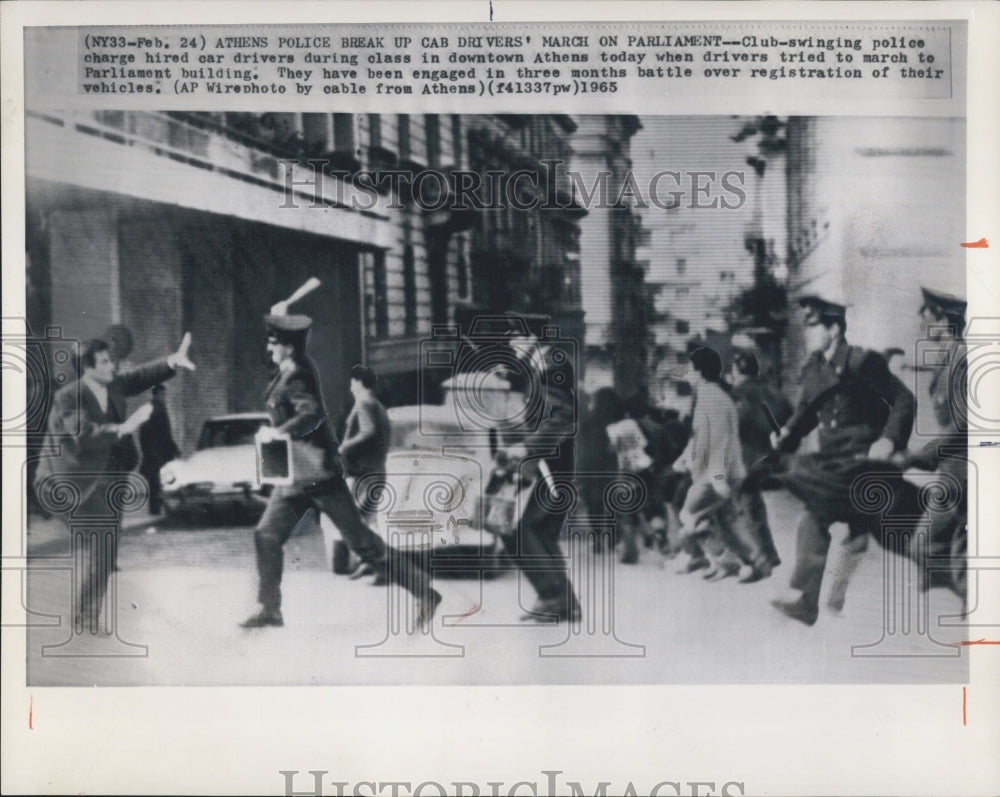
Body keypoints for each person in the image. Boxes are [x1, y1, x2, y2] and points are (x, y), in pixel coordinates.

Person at [241, 312, 440, 629]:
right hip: (296, 475)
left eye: (273, 342)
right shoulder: (286, 372)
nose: (268, 347)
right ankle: (269, 607)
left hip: (319, 475)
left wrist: (281, 432)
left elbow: (310, 414)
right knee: (266, 534)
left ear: (288, 348)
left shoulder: (297, 376)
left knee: (360, 541)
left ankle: (424, 592)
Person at [34, 334, 196, 632]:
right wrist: (125, 426)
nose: (113, 366)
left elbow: (141, 375)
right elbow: (83, 433)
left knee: (106, 553)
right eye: (106, 361)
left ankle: (88, 617)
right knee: (100, 545)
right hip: (74, 480)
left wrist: (172, 361)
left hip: (110, 478)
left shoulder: (114, 384)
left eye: (111, 360)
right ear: (88, 367)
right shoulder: (69, 397)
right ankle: (85, 618)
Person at [770, 295, 911, 625]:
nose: (807, 331)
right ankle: (831, 595)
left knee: (815, 510)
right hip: (834, 460)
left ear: (833, 328)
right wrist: (786, 435)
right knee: (855, 530)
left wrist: (888, 439)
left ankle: (807, 599)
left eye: (813, 324)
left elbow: (903, 399)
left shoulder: (863, 363)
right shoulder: (816, 367)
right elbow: (806, 412)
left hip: (862, 459)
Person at [499, 312, 581, 623]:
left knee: (518, 529)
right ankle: (565, 602)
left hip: (548, 466)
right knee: (543, 533)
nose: (511, 342)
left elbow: (560, 417)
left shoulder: (551, 366)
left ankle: (553, 596)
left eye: (516, 336)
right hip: (553, 464)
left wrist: (527, 446)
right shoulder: (543, 366)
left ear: (533, 338)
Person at [904, 286, 968, 600]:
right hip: (953, 470)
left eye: (925, 311)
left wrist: (922, 454)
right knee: (934, 548)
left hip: (962, 472)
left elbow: (963, 422)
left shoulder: (960, 359)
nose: (919, 318)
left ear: (942, 319)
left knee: (924, 545)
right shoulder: (949, 357)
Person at [672, 347, 746, 581]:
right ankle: (719, 561)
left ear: (699, 370)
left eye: (690, 368)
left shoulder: (712, 398)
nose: (687, 373)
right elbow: (699, 435)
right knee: (703, 519)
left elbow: (720, 439)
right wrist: (683, 459)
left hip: (716, 473)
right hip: (708, 471)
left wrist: (718, 477)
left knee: (688, 516)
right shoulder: (709, 394)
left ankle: (727, 559)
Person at [729, 338, 792, 582]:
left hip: (743, 458)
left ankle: (759, 559)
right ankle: (766, 555)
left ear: (737, 370)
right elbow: (788, 416)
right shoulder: (773, 392)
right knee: (752, 505)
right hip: (769, 456)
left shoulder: (736, 394)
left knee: (742, 508)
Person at [336, 363, 392, 582]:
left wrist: (345, 446)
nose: (350, 386)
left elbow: (368, 431)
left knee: (358, 521)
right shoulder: (377, 405)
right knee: (368, 520)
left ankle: (380, 566)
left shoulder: (364, 403)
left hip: (366, 473)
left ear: (359, 382)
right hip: (375, 471)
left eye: (352, 382)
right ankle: (371, 565)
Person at [138, 384, 180, 516]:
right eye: (163, 394)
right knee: (159, 481)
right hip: (159, 452)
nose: (164, 397)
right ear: (157, 394)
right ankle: (157, 509)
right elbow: (164, 433)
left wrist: (146, 450)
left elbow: (143, 434)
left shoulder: (151, 409)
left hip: (153, 452)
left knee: (156, 482)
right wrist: (173, 448)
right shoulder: (159, 410)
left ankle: (156, 509)